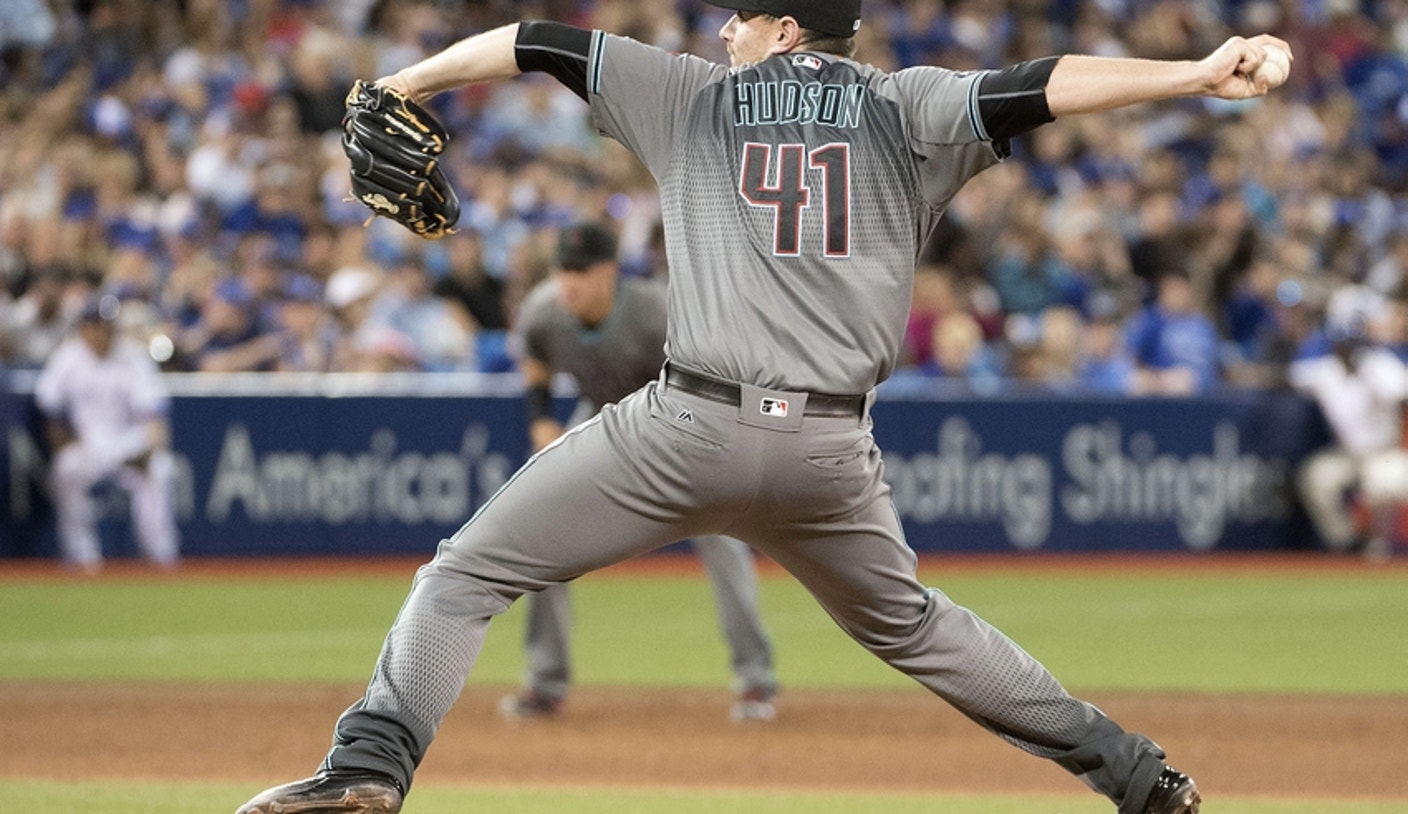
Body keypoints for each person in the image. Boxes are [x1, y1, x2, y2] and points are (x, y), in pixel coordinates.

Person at [238, 4, 1293, 812]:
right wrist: (1195, 73)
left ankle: (367, 766)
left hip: (685, 427)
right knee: (921, 630)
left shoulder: (691, 92)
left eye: (741, 16)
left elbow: (533, 41)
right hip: (831, 453)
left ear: (786, 30)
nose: (724, 29)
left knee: (466, 572)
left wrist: (406, 79)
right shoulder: (905, 102)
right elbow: (1042, 84)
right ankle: (1139, 778)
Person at [499, 221, 779, 723]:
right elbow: (536, 365)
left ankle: (755, 681)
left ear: (609, 272)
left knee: (720, 536)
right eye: (563, 268)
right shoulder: (544, 313)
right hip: (604, 413)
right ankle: (545, 682)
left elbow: (714, 379)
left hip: (689, 418)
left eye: (581, 271)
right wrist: (541, 419)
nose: (569, 280)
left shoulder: (658, 312)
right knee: (542, 525)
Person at [34, 292, 179, 574]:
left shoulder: (133, 356)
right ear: (84, 328)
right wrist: (64, 443)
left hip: (126, 442)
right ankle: (82, 555)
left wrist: (149, 449)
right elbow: (50, 410)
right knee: (66, 467)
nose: (104, 331)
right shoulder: (68, 357)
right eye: (97, 325)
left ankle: (161, 555)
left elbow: (154, 416)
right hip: (88, 444)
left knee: (160, 468)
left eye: (108, 325)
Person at [1289, 323, 1408, 559]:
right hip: (1347, 455)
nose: (1347, 352)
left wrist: (1375, 380)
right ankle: (1347, 543)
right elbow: (1292, 374)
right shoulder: (1326, 372)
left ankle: (1379, 544)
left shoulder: (1380, 366)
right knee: (1315, 478)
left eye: (1352, 346)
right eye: (1342, 346)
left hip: (1383, 453)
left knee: (1381, 483)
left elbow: (1400, 392)